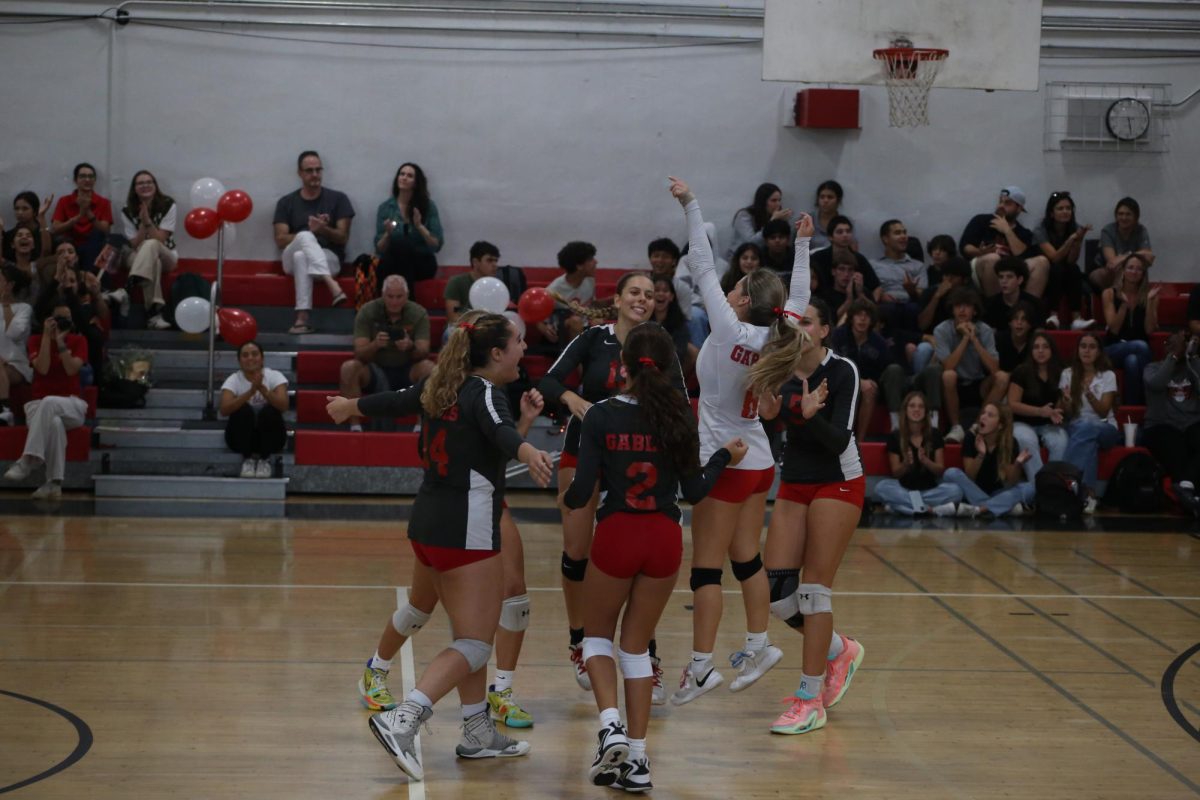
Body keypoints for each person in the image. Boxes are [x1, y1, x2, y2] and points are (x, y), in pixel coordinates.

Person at [327, 313, 553, 783]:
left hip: (427, 523)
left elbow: (393, 400)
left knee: (465, 630)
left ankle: (476, 732)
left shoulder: (439, 386)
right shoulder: (488, 393)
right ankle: (404, 717)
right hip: (467, 530)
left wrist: (351, 407)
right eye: (518, 342)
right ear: (495, 353)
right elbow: (497, 430)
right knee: (473, 643)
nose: (523, 348)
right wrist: (528, 450)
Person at [566, 322, 745, 792]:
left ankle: (610, 729)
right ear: (669, 369)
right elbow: (696, 490)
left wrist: (567, 495)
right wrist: (724, 456)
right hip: (664, 539)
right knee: (636, 647)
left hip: (618, 534)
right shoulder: (679, 417)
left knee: (596, 641)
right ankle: (639, 759)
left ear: (621, 367)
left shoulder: (601, 415)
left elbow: (582, 491)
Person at [666, 177, 812, 705]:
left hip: (723, 459)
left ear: (746, 299)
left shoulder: (730, 330)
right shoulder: (780, 333)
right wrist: (802, 245)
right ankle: (758, 645)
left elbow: (702, 265)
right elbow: (800, 297)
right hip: (758, 461)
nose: (727, 288)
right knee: (745, 557)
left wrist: (691, 204)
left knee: (705, 567)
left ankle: (702, 667)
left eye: (737, 287)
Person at [538, 272, 677, 701]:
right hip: (585, 449)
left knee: (638, 560)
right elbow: (547, 380)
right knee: (577, 551)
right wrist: (571, 399)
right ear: (616, 299)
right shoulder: (593, 339)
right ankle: (581, 640)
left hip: (637, 459)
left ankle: (644, 654)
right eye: (634, 292)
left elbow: (678, 400)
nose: (641, 300)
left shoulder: (659, 343)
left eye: (649, 295)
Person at [749, 296, 865, 735]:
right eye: (794, 323)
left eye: (808, 322)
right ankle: (840, 649)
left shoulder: (842, 371)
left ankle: (809, 697)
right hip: (795, 481)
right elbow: (771, 426)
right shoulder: (777, 371)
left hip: (838, 480)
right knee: (779, 595)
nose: (799, 329)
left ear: (823, 331)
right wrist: (772, 417)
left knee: (815, 591)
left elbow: (838, 440)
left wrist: (809, 416)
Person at [2, 299, 88, 499]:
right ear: (47, 320)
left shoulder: (78, 341)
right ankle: (54, 483)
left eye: (67, 318)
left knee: (51, 402)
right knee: (55, 423)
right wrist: (47, 338)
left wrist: (60, 342)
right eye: (59, 318)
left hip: (71, 404)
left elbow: (71, 369)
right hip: (38, 404)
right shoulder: (34, 340)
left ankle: (27, 459)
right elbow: (42, 368)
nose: (63, 321)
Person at [338, 275, 433, 432]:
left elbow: (424, 352)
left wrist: (410, 347)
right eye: (390, 296)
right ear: (383, 296)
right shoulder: (368, 311)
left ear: (407, 296)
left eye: (399, 296)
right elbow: (359, 353)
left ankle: (421, 425)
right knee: (348, 368)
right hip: (375, 369)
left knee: (430, 369)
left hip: (407, 369)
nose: (394, 301)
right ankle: (355, 426)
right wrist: (374, 345)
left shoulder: (418, 313)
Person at [273, 150, 353, 334]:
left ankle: (301, 319)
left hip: (329, 257)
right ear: (300, 173)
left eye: (318, 170)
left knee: (303, 256)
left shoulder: (338, 199)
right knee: (304, 237)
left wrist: (323, 229)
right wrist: (311, 231)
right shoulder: (287, 202)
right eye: (309, 171)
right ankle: (332, 284)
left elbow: (343, 237)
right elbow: (280, 239)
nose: (315, 175)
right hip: (289, 259)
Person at [935, 287, 1005, 443]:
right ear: (952, 310)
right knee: (948, 375)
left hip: (977, 383)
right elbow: (948, 366)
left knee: (1002, 377)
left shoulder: (984, 330)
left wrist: (974, 339)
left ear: (974, 311)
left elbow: (994, 368)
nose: (962, 309)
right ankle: (956, 427)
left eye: (967, 305)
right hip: (953, 385)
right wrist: (965, 339)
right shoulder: (942, 330)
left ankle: (978, 424)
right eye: (957, 306)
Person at [873, 391, 960, 515]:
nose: (916, 409)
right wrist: (906, 464)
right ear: (905, 410)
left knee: (956, 491)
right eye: (912, 406)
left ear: (926, 411)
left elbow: (940, 470)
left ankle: (904, 508)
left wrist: (926, 461)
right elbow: (896, 473)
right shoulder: (895, 436)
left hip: (930, 491)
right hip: (904, 490)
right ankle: (929, 509)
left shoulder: (935, 434)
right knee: (881, 487)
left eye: (921, 406)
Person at [942, 403, 1036, 518]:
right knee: (951, 473)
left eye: (990, 415)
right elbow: (970, 476)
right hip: (973, 490)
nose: (983, 417)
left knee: (1029, 488)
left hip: (998, 492)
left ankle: (981, 509)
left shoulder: (1010, 442)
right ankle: (997, 507)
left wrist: (1017, 464)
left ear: (1000, 425)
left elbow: (1011, 481)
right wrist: (981, 454)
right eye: (983, 413)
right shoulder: (971, 437)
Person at [1142, 331, 1200, 517]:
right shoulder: (1151, 368)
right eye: (1172, 344)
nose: (1179, 348)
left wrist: (1193, 357)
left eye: (1182, 344)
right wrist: (1174, 356)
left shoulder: (1194, 367)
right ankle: (1190, 496)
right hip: (1160, 424)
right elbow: (1157, 384)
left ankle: (1186, 489)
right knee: (1177, 448)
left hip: (1191, 422)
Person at [1059, 333, 1120, 504]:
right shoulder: (1067, 374)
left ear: (1099, 352)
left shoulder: (1108, 375)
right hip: (1078, 426)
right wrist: (1066, 402)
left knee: (1087, 426)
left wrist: (1089, 394)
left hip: (1106, 428)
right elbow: (1068, 414)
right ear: (1077, 350)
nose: (1087, 350)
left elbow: (1103, 412)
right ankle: (1088, 494)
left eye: (1092, 347)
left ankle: (1066, 479)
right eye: (1083, 346)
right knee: (1088, 439)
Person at [959, 186, 1050, 298]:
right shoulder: (981, 220)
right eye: (1000, 201)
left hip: (1011, 272)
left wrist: (1007, 230)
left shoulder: (1024, 233)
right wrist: (980, 252)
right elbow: (965, 247)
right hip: (981, 268)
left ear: (1019, 208)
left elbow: (1023, 256)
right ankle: (996, 307)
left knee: (1042, 261)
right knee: (993, 258)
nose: (1001, 206)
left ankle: (1026, 309)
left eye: (1007, 203)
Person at [220, 341, 288, 479]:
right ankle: (248, 460)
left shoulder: (274, 376)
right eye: (245, 355)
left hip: (271, 438)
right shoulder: (234, 379)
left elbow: (284, 406)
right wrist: (250, 392)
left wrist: (263, 389)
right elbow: (224, 410)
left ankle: (265, 460)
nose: (250, 358)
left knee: (270, 411)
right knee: (243, 411)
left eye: (254, 354)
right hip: (241, 438)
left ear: (262, 358)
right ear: (239, 361)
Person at [119, 170, 178, 330]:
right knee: (154, 263)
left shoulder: (168, 205)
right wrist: (141, 226)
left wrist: (147, 222)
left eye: (149, 182)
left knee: (152, 244)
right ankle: (154, 314)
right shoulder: (127, 209)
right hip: (138, 255)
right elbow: (133, 244)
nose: (145, 185)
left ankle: (127, 289)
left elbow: (160, 240)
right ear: (134, 188)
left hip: (167, 254)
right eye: (140, 183)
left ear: (155, 185)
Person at [831, 299, 893, 442]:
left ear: (872, 320)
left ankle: (859, 442)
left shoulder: (879, 343)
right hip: (838, 382)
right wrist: (859, 382)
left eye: (867, 315)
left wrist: (872, 383)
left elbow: (884, 371)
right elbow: (832, 365)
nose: (862, 319)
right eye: (859, 314)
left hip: (868, 387)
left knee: (870, 389)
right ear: (851, 317)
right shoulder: (838, 336)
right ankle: (843, 438)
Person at [374, 162, 443, 289]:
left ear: (416, 183)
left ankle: (389, 306)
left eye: (410, 176)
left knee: (400, 251)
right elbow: (379, 249)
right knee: (392, 256)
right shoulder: (385, 208)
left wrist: (420, 226)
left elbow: (436, 245)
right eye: (402, 174)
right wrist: (388, 234)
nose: (404, 178)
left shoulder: (428, 206)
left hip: (422, 263)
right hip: (394, 263)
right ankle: (401, 303)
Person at [1101, 253, 1157, 405]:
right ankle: (1151, 397)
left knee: (1132, 361)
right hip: (1113, 348)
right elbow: (1113, 329)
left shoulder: (1149, 295)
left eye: (1139, 269)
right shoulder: (1109, 293)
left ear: (1143, 274)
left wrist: (1150, 303)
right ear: (1123, 271)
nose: (1134, 272)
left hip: (1138, 353)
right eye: (1130, 267)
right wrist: (1124, 306)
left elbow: (1149, 330)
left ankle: (1133, 412)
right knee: (1140, 345)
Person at [1033, 191, 1091, 329]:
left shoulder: (1076, 228)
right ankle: (1053, 316)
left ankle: (1077, 319)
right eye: (1060, 208)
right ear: (1051, 213)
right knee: (1057, 268)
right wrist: (1071, 239)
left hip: (1067, 272)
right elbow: (1054, 258)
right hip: (1046, 274)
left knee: (1074, 269)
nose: (1065, 212)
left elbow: (1071, 260)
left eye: (1068, 208)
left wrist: (1078, 240)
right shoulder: (1040, 230)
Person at [1008, 331, 1069, 464]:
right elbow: (1012, 404)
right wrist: (1039, 412)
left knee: (1061, 441)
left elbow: (1059, 408)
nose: (1040, 351)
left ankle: (1051, 480)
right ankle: (1037, 482)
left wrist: (1064, 401)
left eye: (1045, 347)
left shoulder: (1061, 372)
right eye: (1036, 347)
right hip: (1022, 422)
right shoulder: (1021, 371)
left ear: (1052, 349)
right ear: (1031, 351)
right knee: (1027, 440)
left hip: (1049, 424)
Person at [50, 162, 112, 271]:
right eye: (82, 176)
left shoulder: (104, 203)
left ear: (94, 180)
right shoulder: (64, 201)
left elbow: (106, 230)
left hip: (94, 246)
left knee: (100, 237)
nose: (87, 180)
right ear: (75, 180)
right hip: (70, 245)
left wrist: (87, 211)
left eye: (90, 176)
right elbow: (55, 229)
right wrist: (78, 217)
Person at [871, 219, 926, 332]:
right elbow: (870, 290)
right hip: (885, 307)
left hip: (909, 305)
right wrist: (881, 295)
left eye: (904, 232)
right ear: (885, 239)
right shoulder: (873, 264)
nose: (903, 236)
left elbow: (923, 294)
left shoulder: (917, 265)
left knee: (912, 309)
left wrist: (912, 291)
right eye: (897, 233)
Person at [540, 241, 598, 348]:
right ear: (579, 266)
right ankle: (575, 362)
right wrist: (544, 330)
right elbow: (536, 316)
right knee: (575, 322)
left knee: (598, 320)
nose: (596, 262)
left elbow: (592, 305)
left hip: (584, 326)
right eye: (590, 259)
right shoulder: (554, 289)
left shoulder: (590, 281)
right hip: (560, 332)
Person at [1091, 196, 1154, 291]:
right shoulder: (1108, 230)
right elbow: (1112, 262)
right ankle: (1119, 299)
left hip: (1131, 268)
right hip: (1105, 271)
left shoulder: (1141, 230)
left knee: (1137, 268)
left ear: (1136, 217)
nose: (1124, 218)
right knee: (1119, 269)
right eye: (1120, 214)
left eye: (1128, 214)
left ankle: (1139, 300)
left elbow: (1149, 257)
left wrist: (1124, 256)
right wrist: (1136, 255)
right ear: (1116, 216)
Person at [811, 216, 881, 299]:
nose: (845, 235)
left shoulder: (859, 258)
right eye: (840, 232)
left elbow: (876, 287)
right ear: (830, 237)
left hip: (854, 304)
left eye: (848, 231)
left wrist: (872, 306)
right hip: (823, 302)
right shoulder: (818, 257)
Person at [0, 264, 33, 425]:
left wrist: (5, 305)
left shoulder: (23, 308)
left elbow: (13, 333)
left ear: (10, 285)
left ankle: (5, 411)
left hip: (15, 365)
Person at [724, 182, 791, 261]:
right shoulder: (744, 216)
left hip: (762, 258)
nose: (778, 204)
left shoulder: (773, 216)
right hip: (740, 259)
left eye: (779, 200)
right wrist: (772, 222)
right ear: (763, 202)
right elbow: (752, 243)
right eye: (773, 201)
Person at [444, 241, 500, 328]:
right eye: (489, 260)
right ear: (475, 262)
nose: (495, 265)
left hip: (488, 330)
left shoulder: (497, 286)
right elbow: (453, 317)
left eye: (496, 260)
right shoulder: (456, 282)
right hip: (461, 329)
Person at [983, 257, 1045, 332]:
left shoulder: (1035, 304)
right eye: (1001, 277)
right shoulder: (989, 305)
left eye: (1009, 277)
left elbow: (1039, 336)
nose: (1004, 281)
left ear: (1020, 280)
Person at [651, 276, 695, 373]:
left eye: (665, 290)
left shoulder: (679, 323)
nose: (661, 293)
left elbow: (679, 353)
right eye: (657, 290)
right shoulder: (643, 319)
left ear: (671, 297)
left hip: (668, 370)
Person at [2, 191, 54, 261]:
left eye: (25, 209)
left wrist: (41, 216)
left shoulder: (45, 235)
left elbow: (47, 254)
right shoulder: (9, 236)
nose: (20, 212)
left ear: (35, 211)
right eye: (17, 209)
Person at [996, 301, 1036, 374]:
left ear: (1030, 325)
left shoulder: (1035, 342)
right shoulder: (998, 339)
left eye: (1024, 319)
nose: (1019, 322)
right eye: (1015, 318)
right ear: (1010, 323)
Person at [810, 180, 844, 252]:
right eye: (822, 197)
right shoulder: (806, 221)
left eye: (830, 197)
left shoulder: (845, 223)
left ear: (838, 200)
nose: (825, 200)